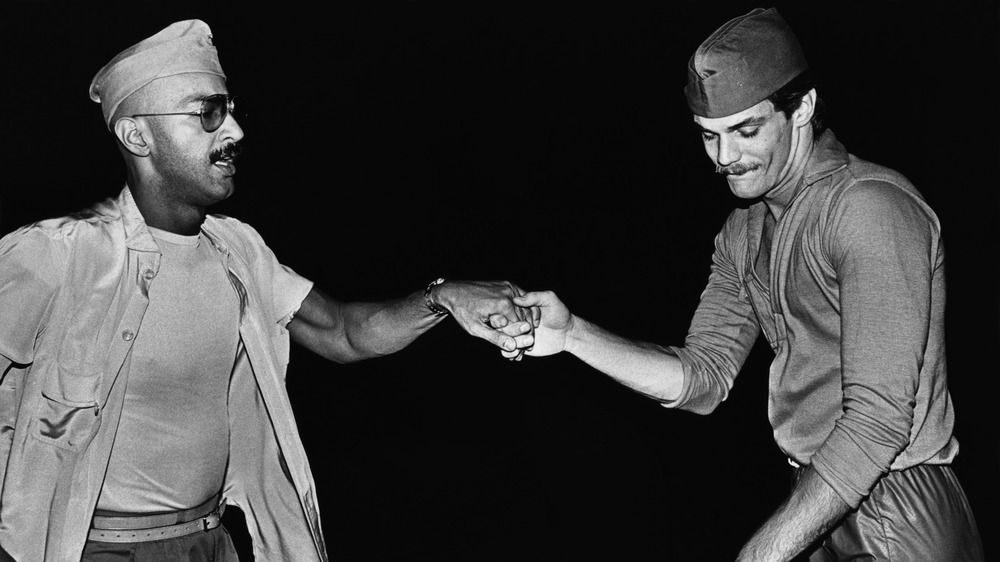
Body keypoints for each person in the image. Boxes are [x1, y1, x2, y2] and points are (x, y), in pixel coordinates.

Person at [0, 19, 536, 562]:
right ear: (138, 136)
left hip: (212, 544)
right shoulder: (59, 254)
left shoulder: (238, 249)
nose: (234, 132)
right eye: (208, 113)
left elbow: (344, 333)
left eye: (231, 110)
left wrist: (441, 297)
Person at [507, 7, 984, 561]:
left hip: (896, 502)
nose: (723, 158)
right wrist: (573, 336)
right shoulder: (745, 231)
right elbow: (704, 379)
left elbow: (879, 422)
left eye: (746, 130)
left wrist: (763, 552)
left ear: (802, 108)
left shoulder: (869, 209)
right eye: (708, 136)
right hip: (819, 500)